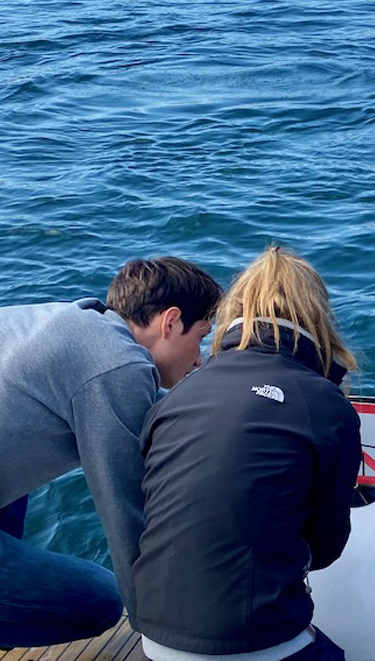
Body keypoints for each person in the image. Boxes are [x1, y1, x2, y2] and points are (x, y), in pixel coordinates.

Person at [0, 256, 222, 661]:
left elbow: (152, 410)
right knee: (101, 603)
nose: (198, 359)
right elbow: (130, 518)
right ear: (170, 322)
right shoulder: (117, 367)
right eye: (201, 338)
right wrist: (165, 636)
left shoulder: (78, 324)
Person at [131, 247, 362, 661]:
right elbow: (327, 545)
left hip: (152, 634)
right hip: (253, 640)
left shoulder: (177, 395)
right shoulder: (325, 405)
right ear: (317, 317)